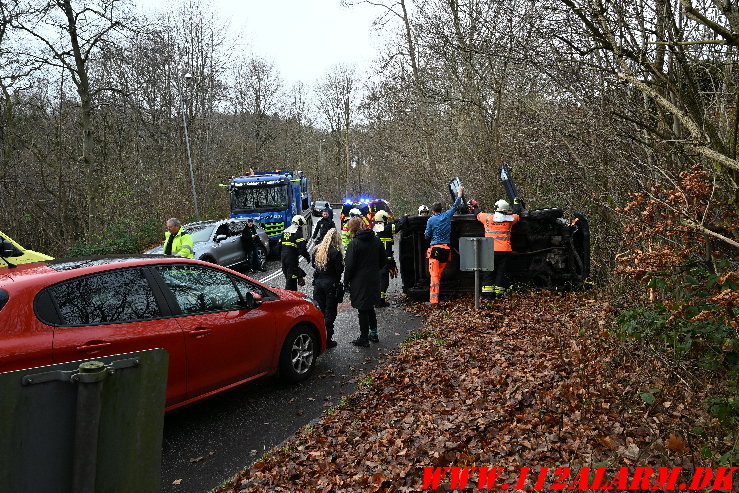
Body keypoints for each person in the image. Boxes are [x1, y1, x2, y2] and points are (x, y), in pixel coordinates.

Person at [343, 220, 386, 346]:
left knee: (362, 309)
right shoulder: (376, 240)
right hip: (373, 278)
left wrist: (346, 282)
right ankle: (374, 334)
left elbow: (349, 266)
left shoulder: (354, 243)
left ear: (353, 229)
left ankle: (363, 338)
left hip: (359, 281)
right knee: (370, 307)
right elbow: (383, 261)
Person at [423, 186, 464, 306]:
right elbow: (455, 206)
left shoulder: (431, 220)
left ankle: (434, 300)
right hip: (446, 250)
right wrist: (459, 194)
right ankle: (437, 297)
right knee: (439, 274)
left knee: (434, 276)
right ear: (441, 209)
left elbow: (426, 235)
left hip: (435, 250)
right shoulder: (447, 216)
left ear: (432, 210)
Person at [476, 199, 521, 298]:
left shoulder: (487, 218)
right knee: (502, 273)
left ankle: (488, 295)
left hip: (489, 250)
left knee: (488, 273)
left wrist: (475, 206)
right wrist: (517, 203)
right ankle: (499, 294)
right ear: (506, 210)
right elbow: (517, 213)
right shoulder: (510, 220)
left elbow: (477, 214)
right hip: (505, 251)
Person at [311, 229, 343, 348]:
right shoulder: (336, 252)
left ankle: (318, 337)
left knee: (320, 311)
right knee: (330, 313)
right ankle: (327, 339)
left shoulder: (317, 250)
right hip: (331, 285)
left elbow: (313, 265)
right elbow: (339, 270)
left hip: (318, 284)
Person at [372, 209, 408, 307]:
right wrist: (404, 218)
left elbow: (391, 223)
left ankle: (377, 299)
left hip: (378, 259)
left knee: (379, 279)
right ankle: (380, 301)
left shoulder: (378, 227)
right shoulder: (385, 228)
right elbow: (397, 227)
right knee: (384, 280)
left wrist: (399, 219)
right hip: (385, 259)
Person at [280, 215, 310, 290]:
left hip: (284, 259)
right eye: (302, 224)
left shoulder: (285, 231)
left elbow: (278, 246)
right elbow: (302, 248)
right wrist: (308, 257)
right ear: (299, 223)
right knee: (291, 283)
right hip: (291, 259)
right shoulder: (298, 233)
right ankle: (289, 299)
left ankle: (300, 277)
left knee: (289, 278)